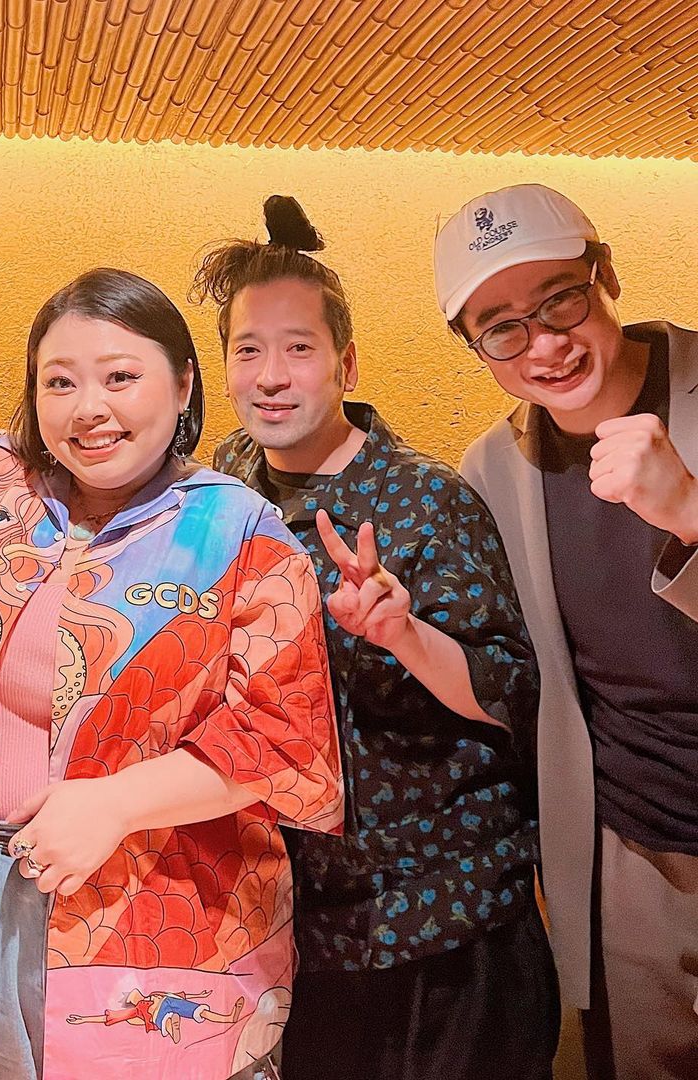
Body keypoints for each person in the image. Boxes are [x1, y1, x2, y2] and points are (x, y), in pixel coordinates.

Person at [0, 267, 344, 1080]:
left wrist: (114, 803)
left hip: (165, 936)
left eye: (120, 377)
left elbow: (284, 739)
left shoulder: (241, 531)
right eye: (59, 382)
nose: (88, 408)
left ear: (183, 385)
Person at [196, 196, 558, 1080]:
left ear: (346, 362)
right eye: (248, 350)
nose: (271, 377)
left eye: (299, 349)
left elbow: (515, 695)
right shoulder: (223, 490)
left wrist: (404, 634)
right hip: (300, 928)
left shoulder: (427, 501)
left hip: (445, 921)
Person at [436, 182, 698, 1079]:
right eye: (502, 328)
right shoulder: (492, 470)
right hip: (630, 856)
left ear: (606, 273)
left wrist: (688, 510)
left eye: (560, 300)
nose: (544, 344)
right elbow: (516, 678)